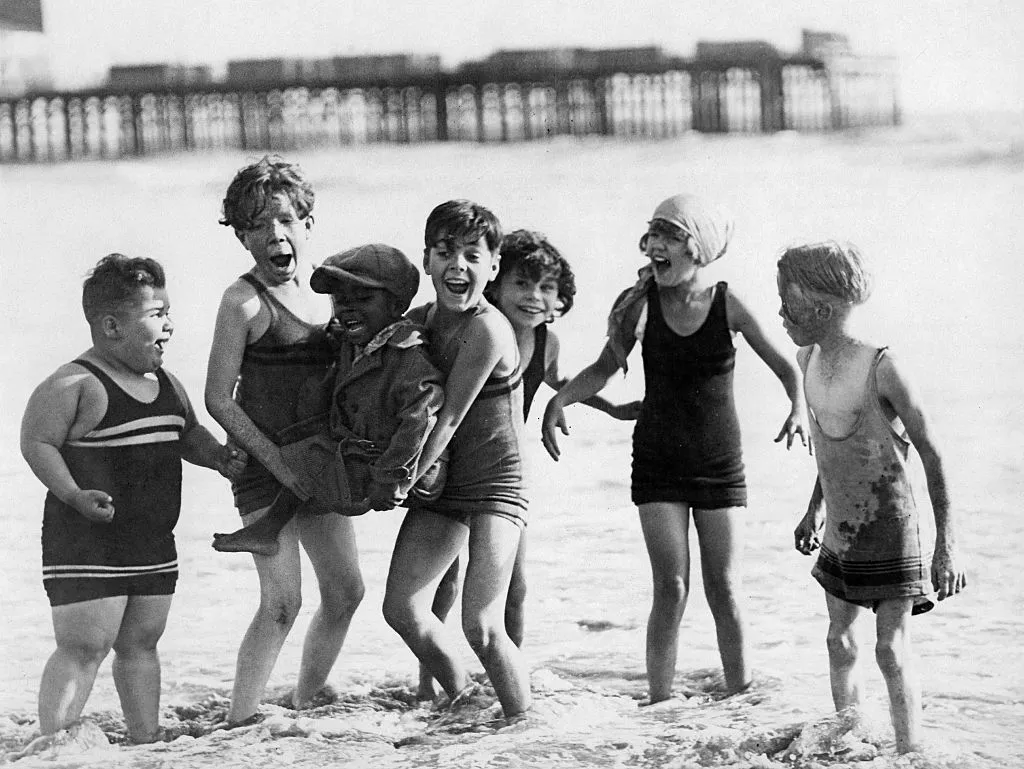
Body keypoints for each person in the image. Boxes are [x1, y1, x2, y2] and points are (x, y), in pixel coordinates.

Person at [542, 194, 806, 704]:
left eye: (669, 236)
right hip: (658, 461)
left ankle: (741, 698)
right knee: (673, 587)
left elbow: (786, 366)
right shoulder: (640, 306)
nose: (655, 246)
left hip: (719, 465)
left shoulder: (728, 303)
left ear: (698, 249)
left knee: (724, 589)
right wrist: (560, 402)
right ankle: (659, 703)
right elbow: (602, 368)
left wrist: (797, 409)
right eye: (652, 235)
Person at [20, 254, 245, 744]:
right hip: (86, 543)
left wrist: (221, 459)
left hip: (151, 541)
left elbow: (189, 434)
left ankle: (146, 741)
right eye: (157, 314)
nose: (170, 325)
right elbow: (36, 442)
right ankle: (52, 746)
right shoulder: (75, 383)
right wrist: (73, 493)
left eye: (169, 312)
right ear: (112, 327)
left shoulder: (166, 385)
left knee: (142, 643)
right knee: (84, 645)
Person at [418, 229, 640, 699]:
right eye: (522, 284)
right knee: (444, 580)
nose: (533, 297)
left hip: (502, 474)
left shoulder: (545, 342)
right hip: (452, 465)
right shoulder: (478, 327)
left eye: (545, 288)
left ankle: (508, 674)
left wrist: (610, 409)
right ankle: (429, 687)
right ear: (495, 282)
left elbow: (561, 382)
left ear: (559, 301)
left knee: (515, 586)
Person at [778, 241, 965, 754]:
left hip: (892, 527)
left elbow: (932, 450)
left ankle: (910, 753)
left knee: (889, 648)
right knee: (839, 639)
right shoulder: (806, 358)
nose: (779, 312)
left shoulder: (882, 366)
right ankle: (851, 736)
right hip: (841, 526)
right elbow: (831, 446)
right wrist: (813, 509)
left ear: (820, 307)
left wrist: (948, 545)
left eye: (786, 301)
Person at [204, 155, 364, 726]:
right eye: (256, 225)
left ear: (308, 224)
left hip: (319, 463)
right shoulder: (241, 302)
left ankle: (307, 696)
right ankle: (239, 722)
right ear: (242, 236)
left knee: (347, 592)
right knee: (281, 603)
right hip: (266, 467)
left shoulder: (332, 297)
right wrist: (278, 464)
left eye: (285, 220)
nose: (274, 234)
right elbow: (217, 398)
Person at [382, 200, 532, 719]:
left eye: (473, 255)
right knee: (401, 608)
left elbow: (446, 419)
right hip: (445, 480)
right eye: (445, 252)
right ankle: (465, 697)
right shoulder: (420, 320)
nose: (458, 266)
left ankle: (524, 727)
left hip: (495, 482)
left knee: (483, 627)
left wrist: (401, 481)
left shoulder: (488, 329)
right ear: (426, 260)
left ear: (493, 267)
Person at [210, 243, 446, 556]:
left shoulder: (408, 356)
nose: (348, 309)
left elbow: (420, 420)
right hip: (369, 452)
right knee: (306, 446)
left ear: (395, 305)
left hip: (403, 472)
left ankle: (267, 528)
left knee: (314, 459)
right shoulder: (359, 339)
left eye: (363, 299)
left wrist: (390, 480)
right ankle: (268, 529)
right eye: (340, 300)